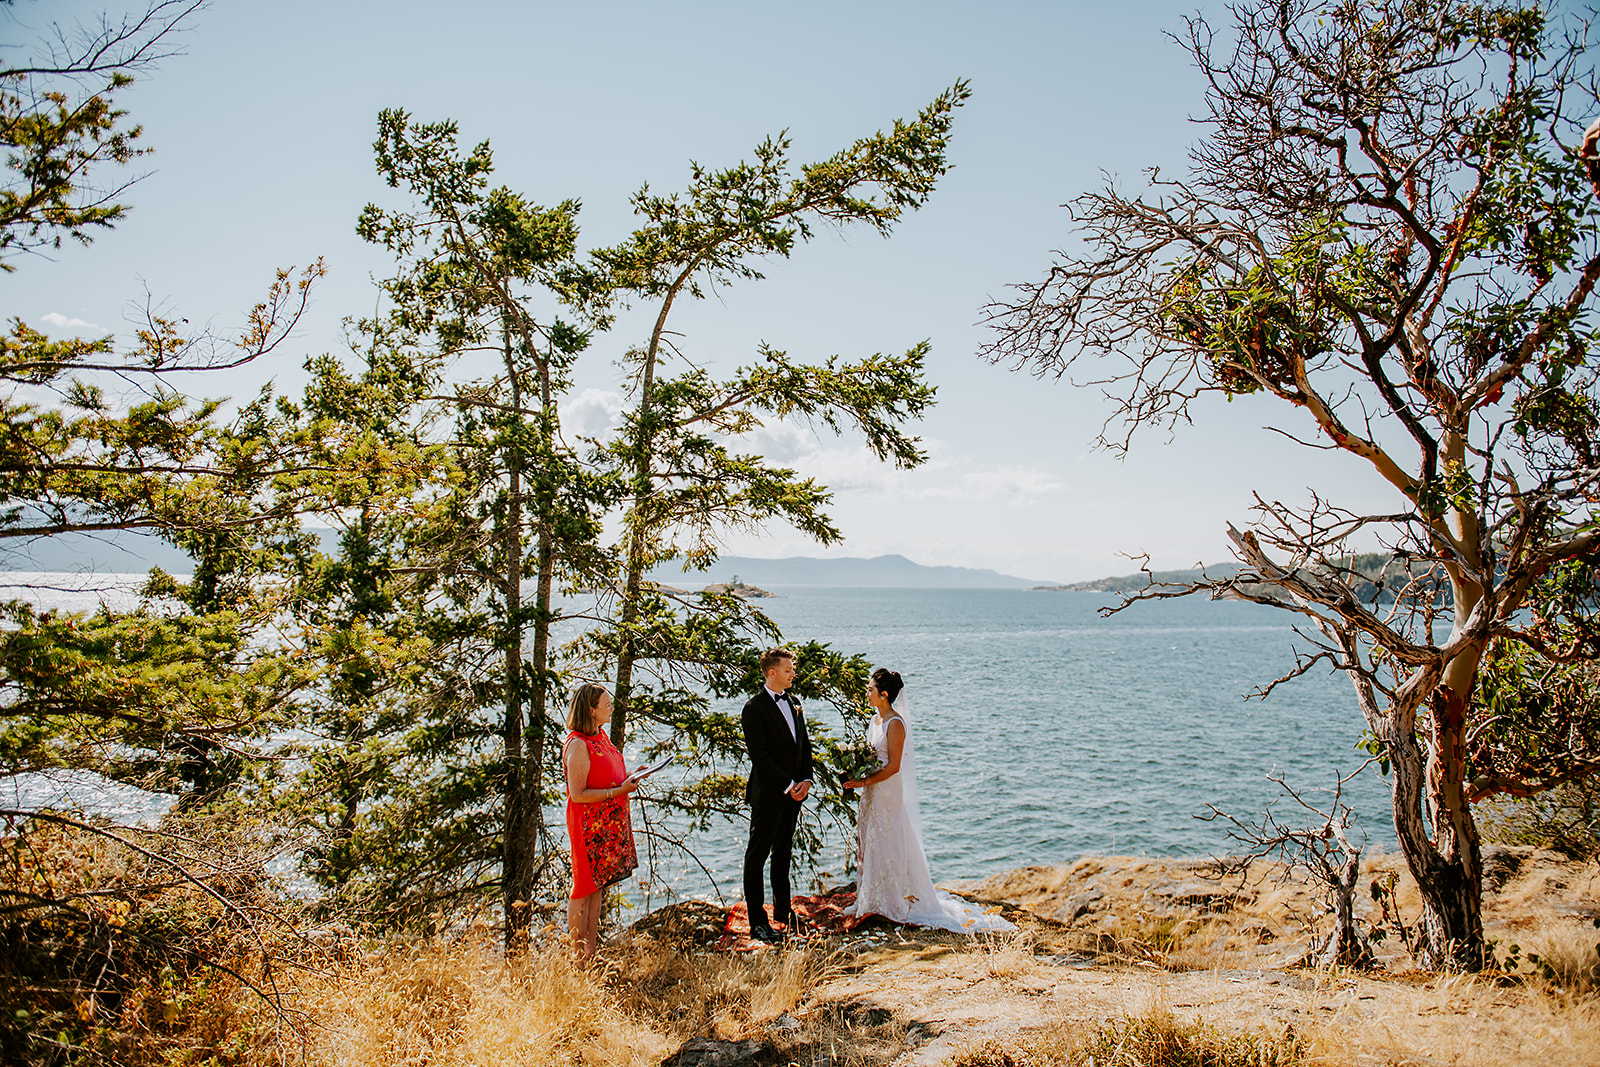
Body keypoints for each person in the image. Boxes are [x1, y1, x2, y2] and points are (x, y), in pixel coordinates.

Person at [841, 668, 1016, 934]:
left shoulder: (895, 724)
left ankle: (890, 899)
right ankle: (868, 896)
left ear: (884, 695)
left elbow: (894, 767)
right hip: (871, 790)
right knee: (868, 838)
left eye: (870, 690)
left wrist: (863, 781)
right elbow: (871, 758)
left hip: (886, 790)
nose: (866, 694)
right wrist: (856, 771)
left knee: (886, 839)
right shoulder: (874, 721)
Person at [741, 647, 813, 943]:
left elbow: (804, 745)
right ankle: (757, 921)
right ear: (772, 673)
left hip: (796, 792)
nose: (792, 673)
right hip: (769, 793)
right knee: (757, 856)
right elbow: (759, 755)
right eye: (788, 670)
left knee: (783, 851)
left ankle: (783, 910)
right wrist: (787, 784)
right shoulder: (753, 708)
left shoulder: (794, 702)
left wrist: (806, 779)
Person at [563, 683, 640, 961]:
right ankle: (576, 956)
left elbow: (606, 775)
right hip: (588, 827)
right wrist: (619, 791)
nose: (611, 708)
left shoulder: (601, 737)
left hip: (605, 825)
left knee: (597, 887)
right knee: (583, 888)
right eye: (606, 704)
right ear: (591, 710)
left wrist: (631, 776)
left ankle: (590, 952)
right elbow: (579, 793)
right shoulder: (578, 745)